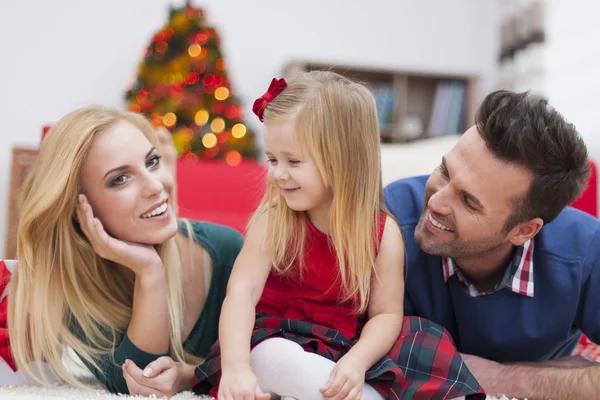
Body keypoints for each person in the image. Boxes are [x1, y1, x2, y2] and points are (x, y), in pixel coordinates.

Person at [193, 71, 485, 400]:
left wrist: (357, 361)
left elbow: (386, 315)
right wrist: (235, 367)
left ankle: (333, 387)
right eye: (273, 159)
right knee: (272, 358)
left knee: (429, 339)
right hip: (277, 334)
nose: (278, 173)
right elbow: (242, 294)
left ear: (342, 162)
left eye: (292, 161)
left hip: (346, 344)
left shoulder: (383, 233)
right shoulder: (273, 219)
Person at [8, 106, 243, 397]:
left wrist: (191, 376)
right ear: (78, 210)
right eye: (120, 179)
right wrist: (150, 272)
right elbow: (134, 383)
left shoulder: (228, 252)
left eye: (153, 162)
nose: (155, 186)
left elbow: (281, 353)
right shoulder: (76, 289)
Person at [384, 90, 600, 400]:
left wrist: (505, 378)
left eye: (469, 201)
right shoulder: (391, 218)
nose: (435, 201)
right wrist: (563, 377)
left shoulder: (586, 253)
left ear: (524, 230)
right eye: (445, 171)